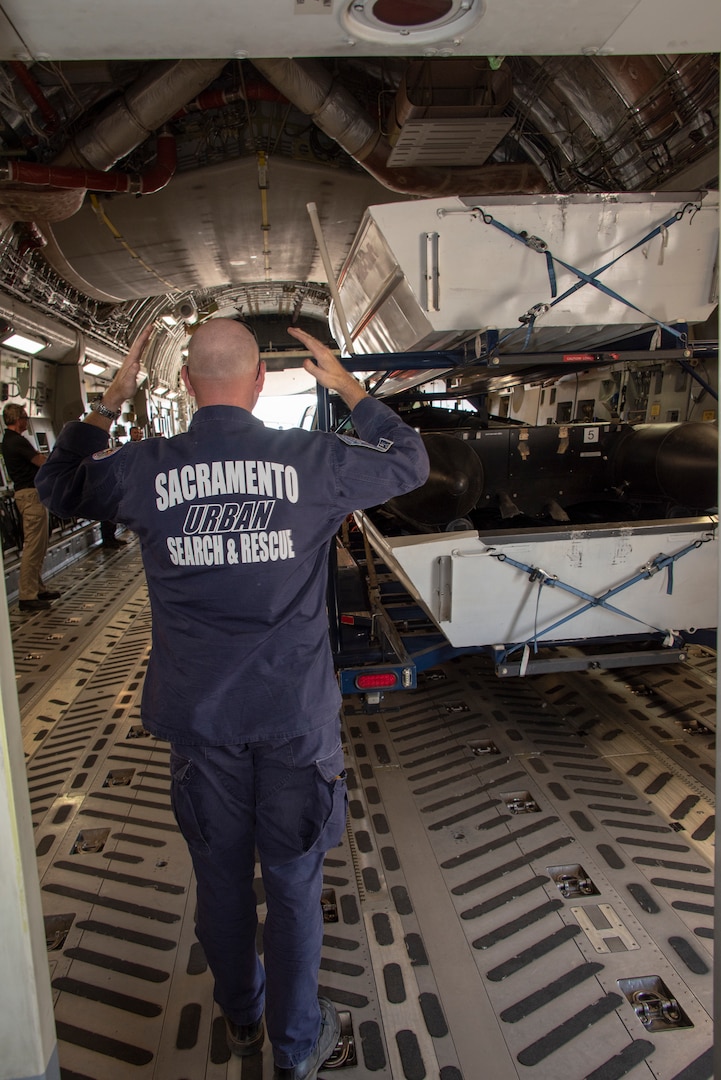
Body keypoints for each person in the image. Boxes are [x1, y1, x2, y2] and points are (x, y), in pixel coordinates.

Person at [36, 318, 429, 1080]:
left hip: (201, 723)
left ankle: (241, 1019)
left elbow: (56, 486)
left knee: (219, 882)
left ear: (186, 385)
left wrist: (108, 403)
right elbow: (409, 462)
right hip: (292, 721)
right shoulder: (313, 462)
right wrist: (346, 386)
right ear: (257, 385)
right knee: (291, 883)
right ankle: (295, 1046)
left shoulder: (143, 469)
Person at [1, 403, 60, 611]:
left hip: (29, 495)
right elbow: (40, 461)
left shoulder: (8, 441)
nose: (26, 421)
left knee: (40, 544)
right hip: (29, 496)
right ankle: (27, 595)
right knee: (33, 546)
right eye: (25, 418)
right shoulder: (16, 441)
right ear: (18, 420)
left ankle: (38, 588)